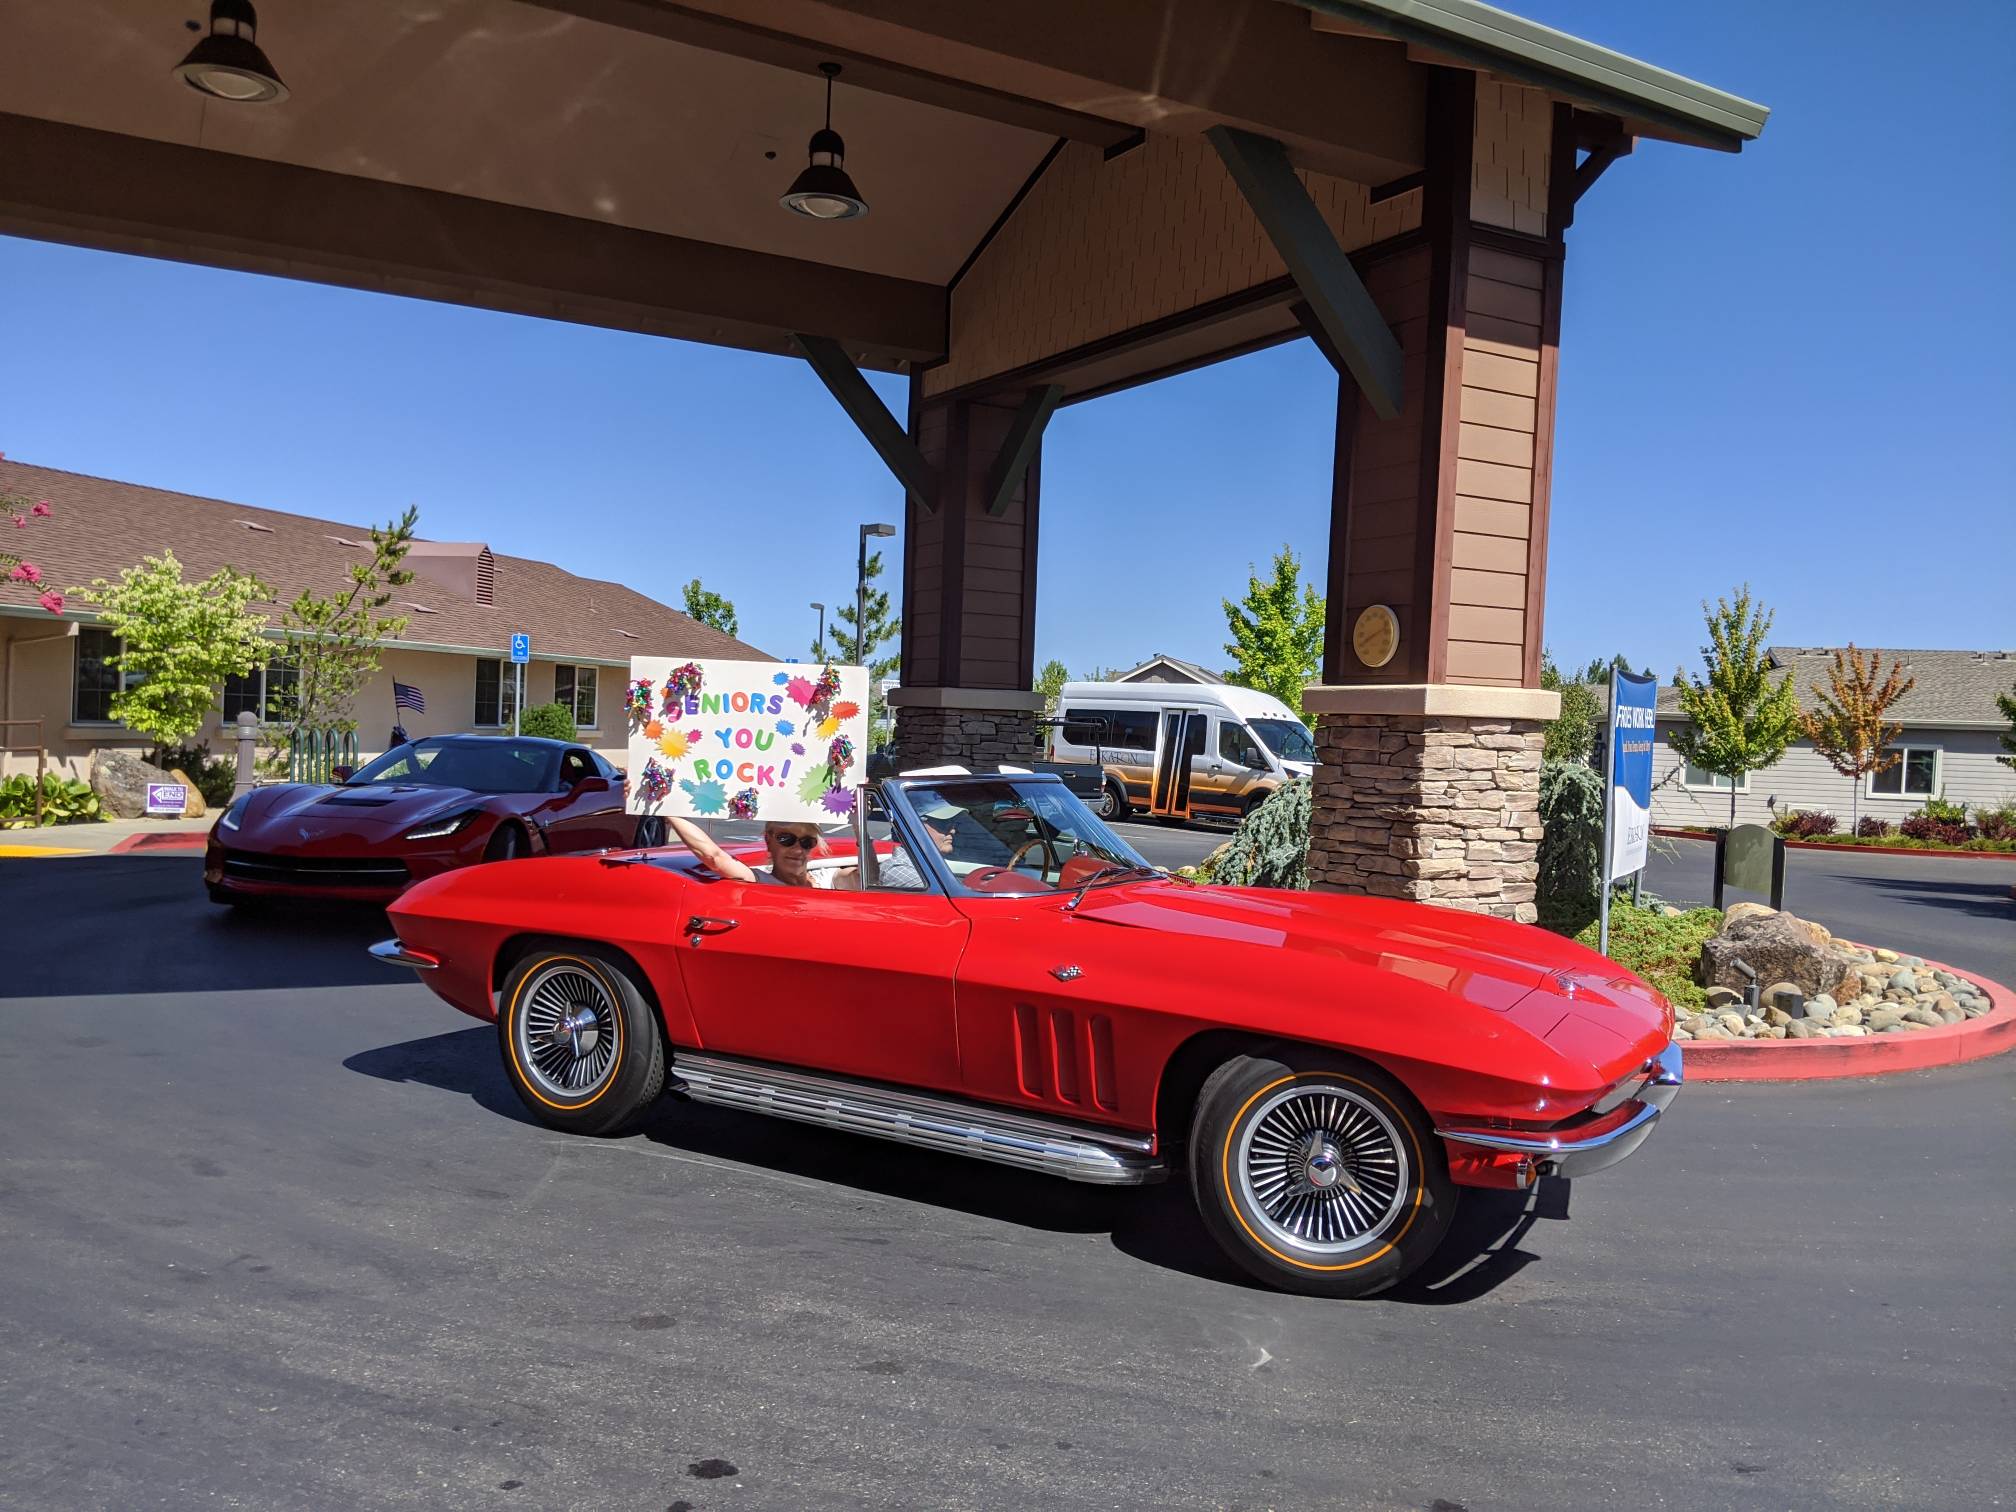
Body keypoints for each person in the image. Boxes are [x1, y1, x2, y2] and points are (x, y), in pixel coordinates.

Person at [664, 815, 844, 888]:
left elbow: (868, 877)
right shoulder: (759, 881)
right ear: (768, 840)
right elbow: (713, 856)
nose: (797, 849)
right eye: (785, 839)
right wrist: (666, 810)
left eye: (806, 842)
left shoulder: (828, 878)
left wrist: (858, 825)